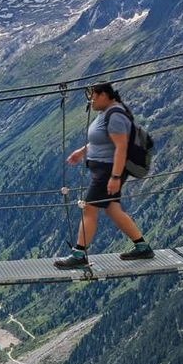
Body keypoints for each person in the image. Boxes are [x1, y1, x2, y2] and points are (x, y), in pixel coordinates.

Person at [54, 82, 155, 268]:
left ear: (104, 96)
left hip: (108, 171)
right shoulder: (108, 113)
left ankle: (79, 254)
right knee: (112, 210)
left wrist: (115, 177)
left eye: (93, 96)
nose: (90, 101)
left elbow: (121, 147)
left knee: (89, 209)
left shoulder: (115, 115)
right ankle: (142, 247)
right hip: (104, 170)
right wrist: (82, 151)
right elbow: (103, 140)